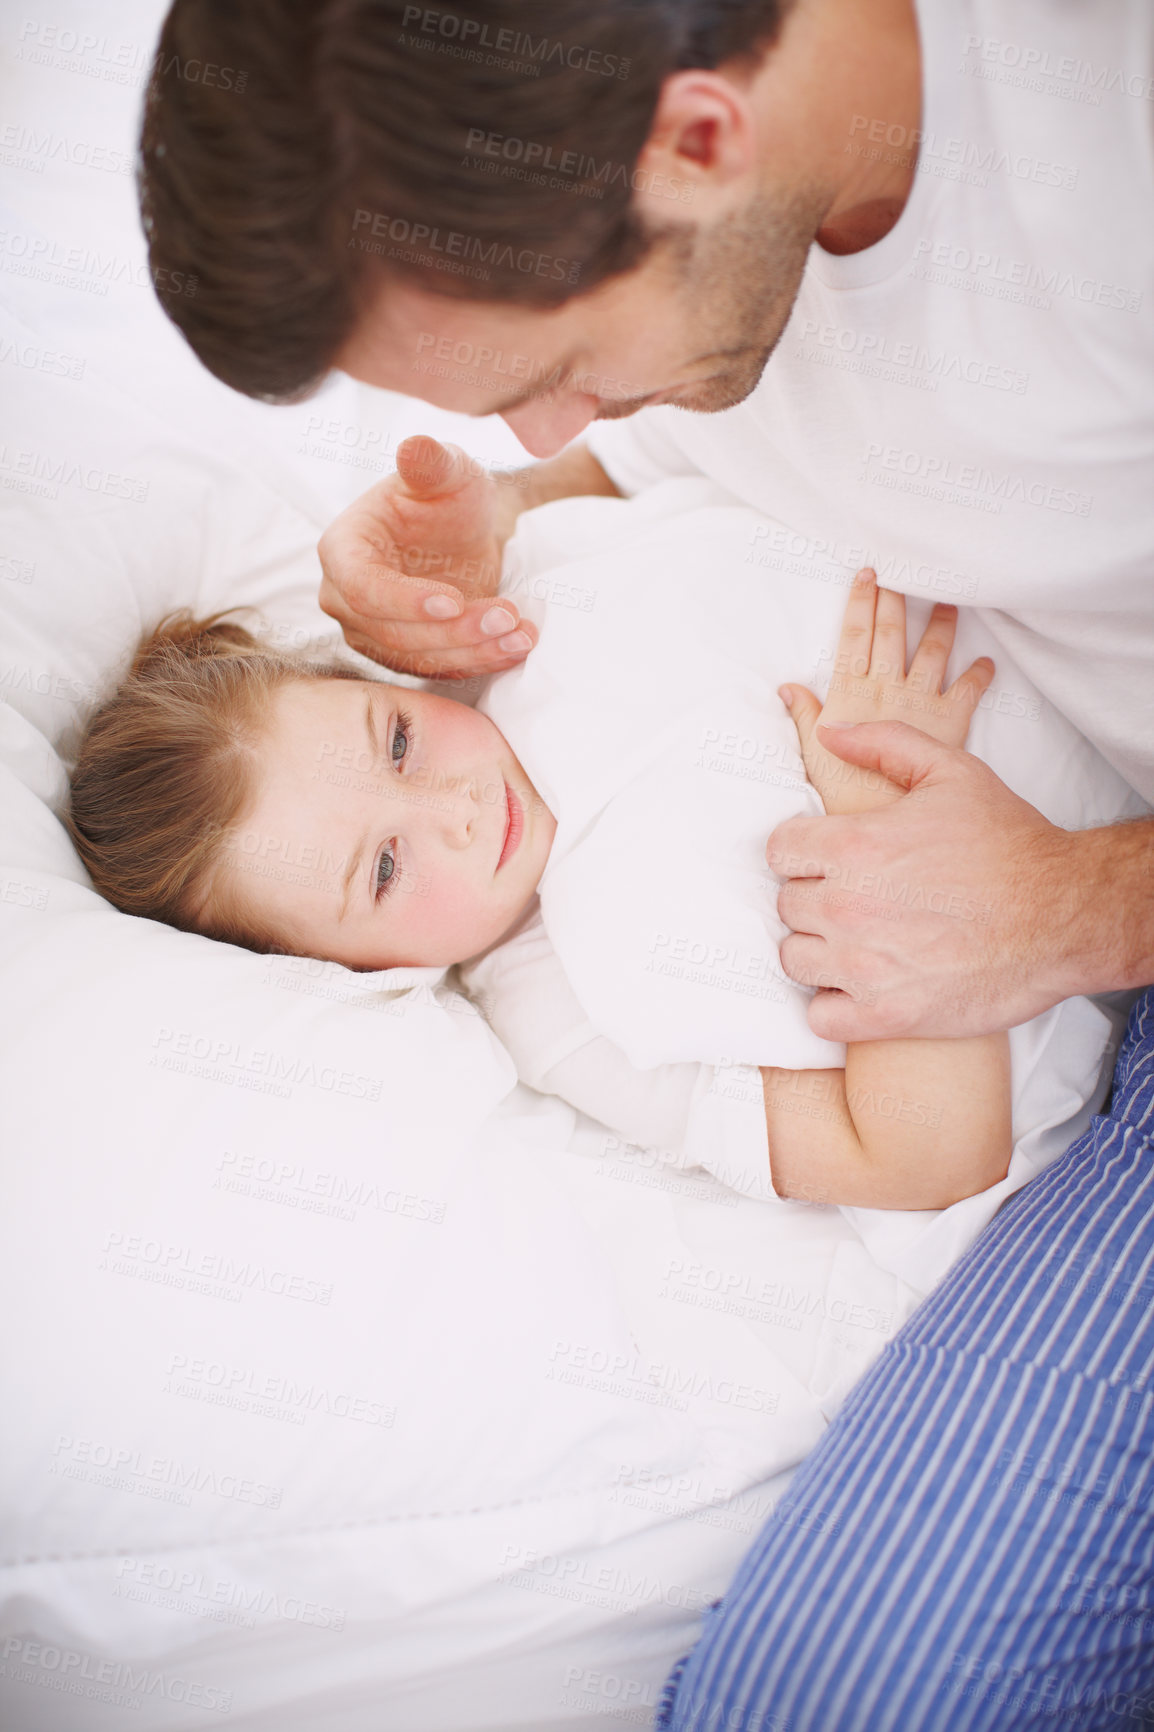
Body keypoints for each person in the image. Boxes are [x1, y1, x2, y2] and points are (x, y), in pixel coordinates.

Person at [138, 0, 1154, 1721]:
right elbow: (659, 457)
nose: (537, 429)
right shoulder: (690, 289)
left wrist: (1064, 905)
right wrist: (507, 522)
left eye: (545, 374)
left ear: (698, 139)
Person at [66, 576, 1019, 1214]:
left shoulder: (536, 637)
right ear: (344, 968)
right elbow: (922, 1158)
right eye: (386, 869)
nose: (459, 809)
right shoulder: (558, 1017)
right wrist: (887, 814)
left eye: (398, 741)